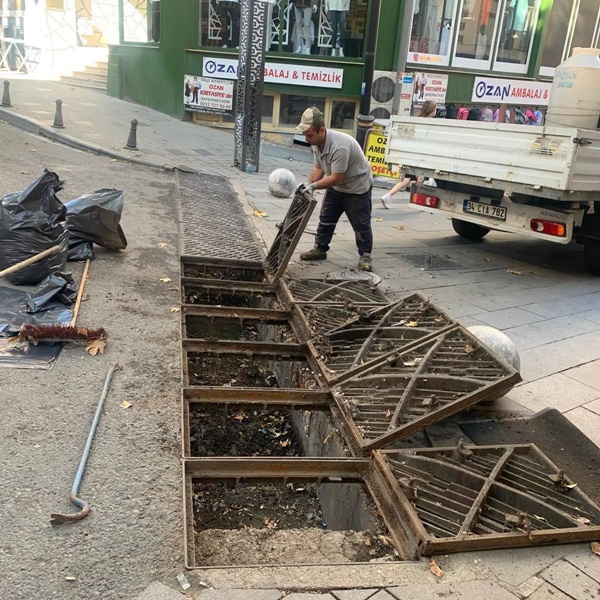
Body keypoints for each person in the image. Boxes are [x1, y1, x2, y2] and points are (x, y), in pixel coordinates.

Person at [296, 107, 374, 272]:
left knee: (361, 224)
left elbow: (336, 177)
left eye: (309, 135)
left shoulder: (340, 146)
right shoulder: (316, 143)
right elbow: (319, 169)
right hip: (336, 186)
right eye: (305, 135)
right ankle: (320, 249)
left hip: (356, 187)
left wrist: (314, 186)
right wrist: (307, 185)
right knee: (326, 219)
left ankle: (365, 255)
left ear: (321, 130)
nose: (307, 138)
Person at [381, 100, 437, 209]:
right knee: (419, 179)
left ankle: (387, 196)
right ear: (431, 111)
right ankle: (421, 202)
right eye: (435, 109)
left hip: (411, 155)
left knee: (407, 180)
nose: (436, 111)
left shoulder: (416, 120)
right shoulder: (429, 123)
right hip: (420, 157)